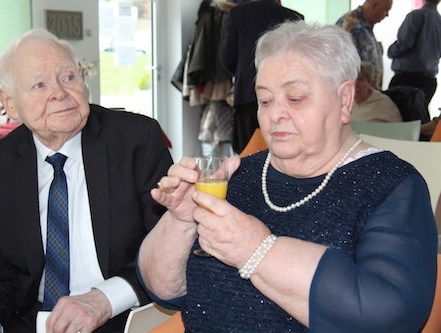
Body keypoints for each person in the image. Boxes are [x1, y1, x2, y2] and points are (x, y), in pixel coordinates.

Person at [137, 21, 437, 332]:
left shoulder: (390, 185)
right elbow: (163, 290)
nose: (275, 113)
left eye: (295, 98)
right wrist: (181, 221)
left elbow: (391, 314)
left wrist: (257, 250)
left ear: (345, 100)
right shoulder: (236, 176)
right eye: (265, 100)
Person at [0, 29, 173, 333]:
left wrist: (104, 300)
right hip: (33, 321)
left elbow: (168, 248)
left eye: (68, 77)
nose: (59, 93)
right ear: (10, 103)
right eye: (39, 84)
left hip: (122, 317)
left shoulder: (136, 140)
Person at [221, 0, 303, 155]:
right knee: (285, 148)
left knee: (247, 153)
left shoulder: (238, 13)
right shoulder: (294, 16)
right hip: (286, 96)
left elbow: (227, 58)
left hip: (247, 93)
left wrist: (244, 74)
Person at [387, 0, 441, 108]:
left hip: (407, 79)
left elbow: (404, 43)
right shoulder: (439, 20)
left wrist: (390, 51)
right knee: (418, 118)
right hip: (429, 80)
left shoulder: (416, 16)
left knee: (396, 117)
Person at [336, 0, 393, 90]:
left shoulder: (366, 27)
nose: (387, 15)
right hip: (356, 95)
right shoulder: (350, 24)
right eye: (386, 10)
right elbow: (342, 65)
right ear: (374, 6)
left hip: (369, 94)